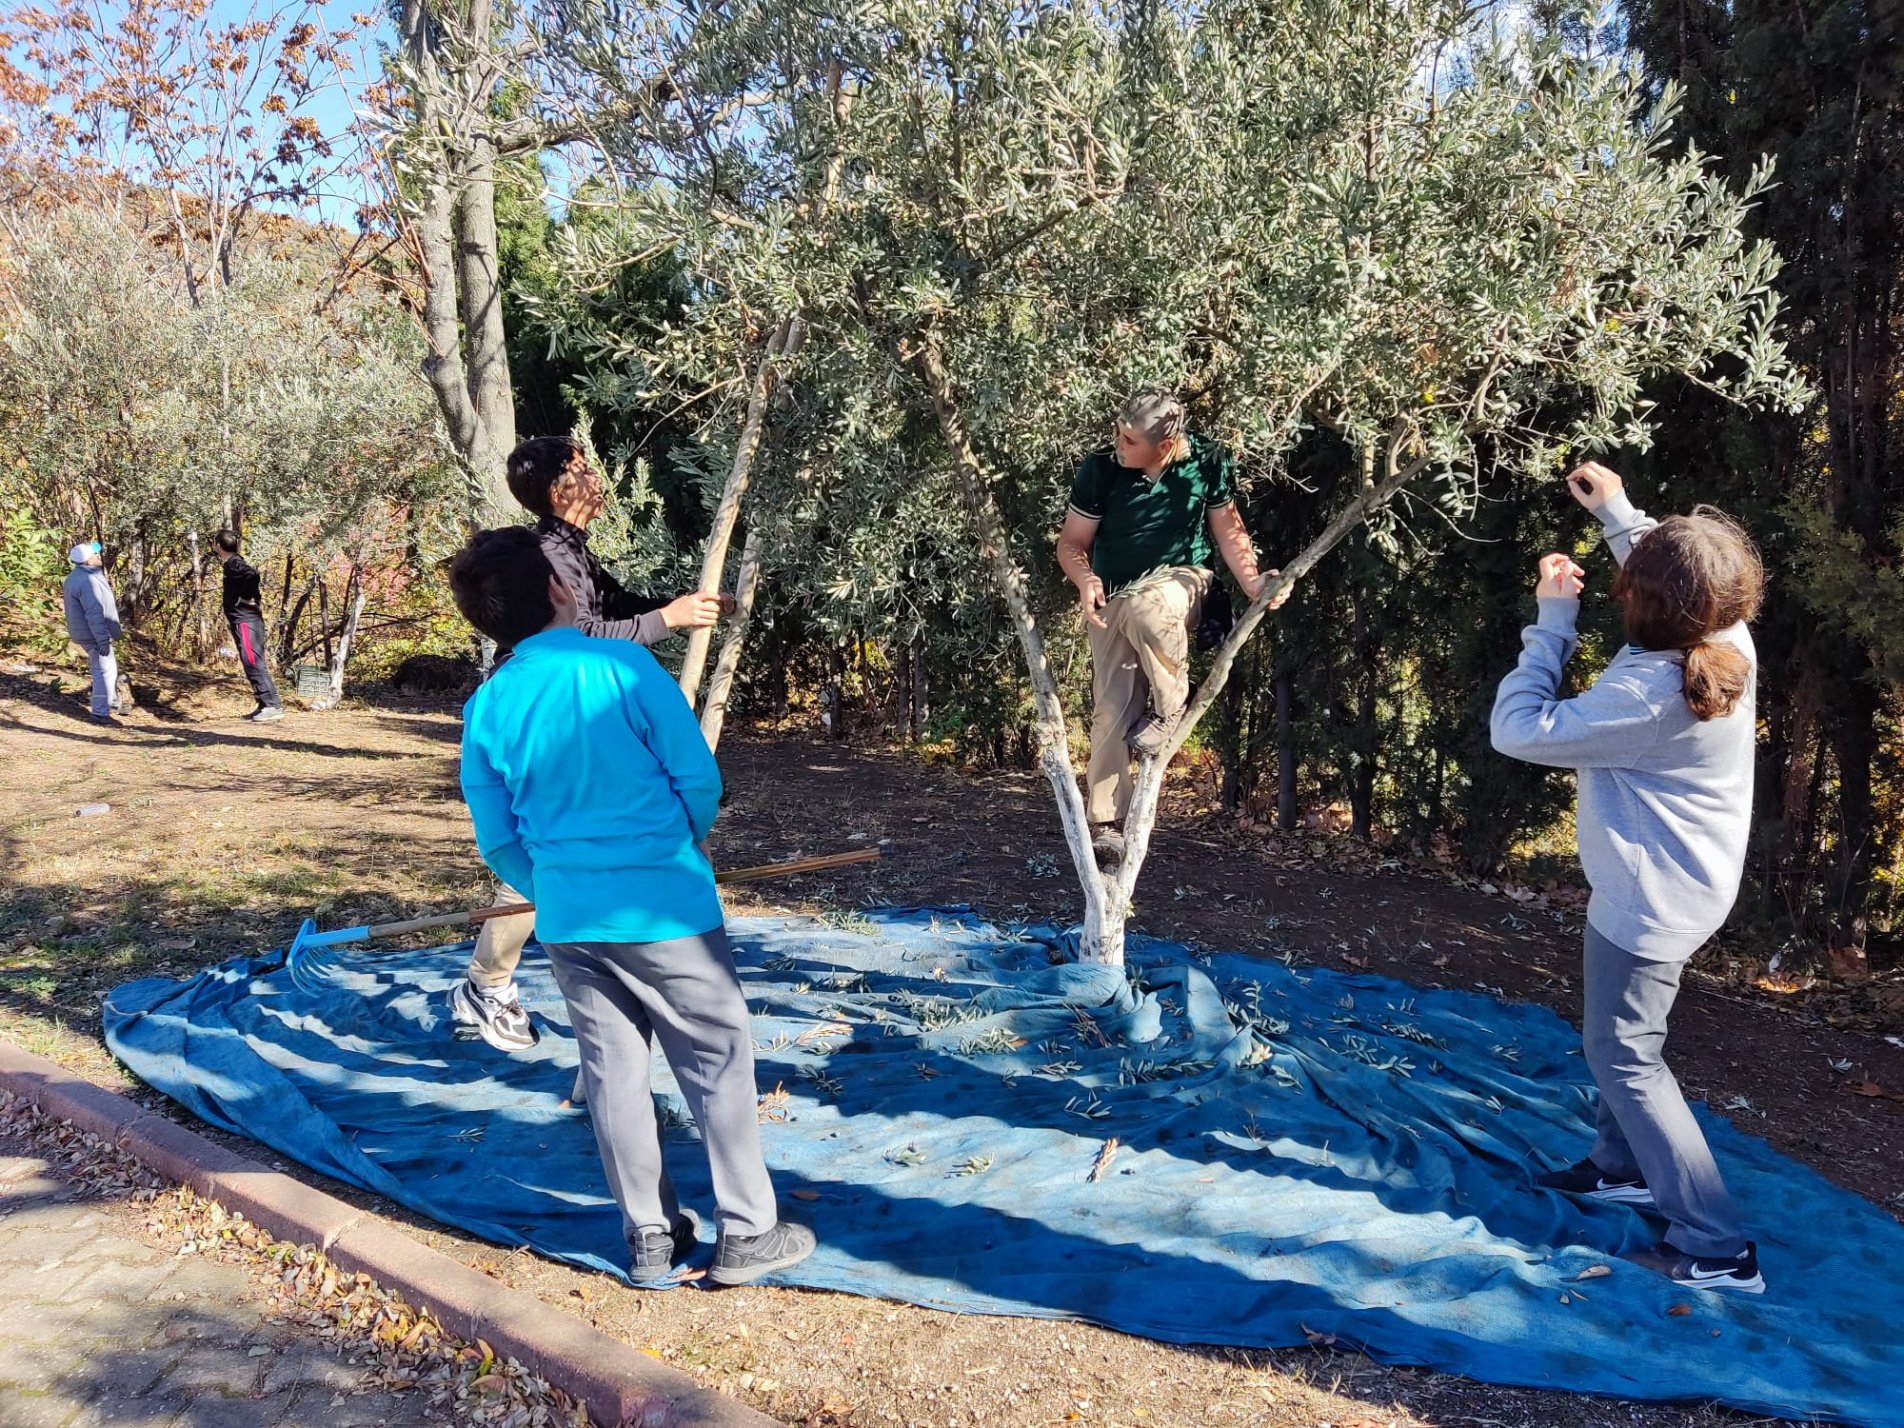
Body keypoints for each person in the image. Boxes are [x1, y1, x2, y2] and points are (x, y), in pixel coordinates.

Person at [448, 525, 814, 1287]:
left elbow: (499, 841)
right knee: (717, 1061)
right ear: (556, 590)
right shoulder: (622, 665)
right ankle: (748, 1232)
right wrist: (678, 848)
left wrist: (558, 888)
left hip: (573, 922)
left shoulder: (488, 705)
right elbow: (697, 780)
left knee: (612, 1073)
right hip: (666, 907)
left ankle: (650, 1240)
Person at [1490, 461, 1765, 1294]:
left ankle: (1717, 1246)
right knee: (1621, 1043)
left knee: (1623, 1053)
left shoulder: (1649, 693)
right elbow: (1680, 572)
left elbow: (1517, 728)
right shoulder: (1726, 640)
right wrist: (1616, 510)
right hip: (1677, 880)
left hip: (1654, 900)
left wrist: (1552, 623)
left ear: (1647, 603)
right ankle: (1622, 1168)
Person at [453, 435, 733, 1054]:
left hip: (563, 697)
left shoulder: (571, 549)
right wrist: (669, 621)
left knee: (554, 836)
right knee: (547, 840)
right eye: (581, 468)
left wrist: (681, 608)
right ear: (558, 489)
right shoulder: (548, 553)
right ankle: (487, 981)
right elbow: (582, 631)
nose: (595, 476)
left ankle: (500, 982)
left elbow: (613, 607)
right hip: (552, 700)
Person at [1054, 391, 1285, 868]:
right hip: (1110, 598)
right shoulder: (1101, 469)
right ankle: (1106, 825)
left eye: (1130, 439)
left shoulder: (1207, 460)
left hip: (1184, 583)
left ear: (1166, 443)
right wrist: (1085, 578)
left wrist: (1253, 582)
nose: (1118, 443)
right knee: (1111, 708)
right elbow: (1072, 543)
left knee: (1146, 605)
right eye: (1118, 432)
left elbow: (1228, 529)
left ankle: (1172, 706)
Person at [212, 530, 284, 724]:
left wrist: (248, 597)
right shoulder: (231, 563)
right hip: (243, 620)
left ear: (218, 545)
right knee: (249, 660)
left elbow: (251, 575)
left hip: (246, 621)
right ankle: (263, 705)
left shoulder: (235, 563)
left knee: (252, 661)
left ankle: (271, 705)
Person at [62, 542, 123, 723]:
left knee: (107, 668)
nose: (99, 557)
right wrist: (102, 640)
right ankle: (100, 712)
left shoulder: (78, 576)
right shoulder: (87, 581)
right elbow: (94, 613)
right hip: (93, 635)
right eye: (96, 555)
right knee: (103, 671)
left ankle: (108, 703)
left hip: (88, 633)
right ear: (88, 560)